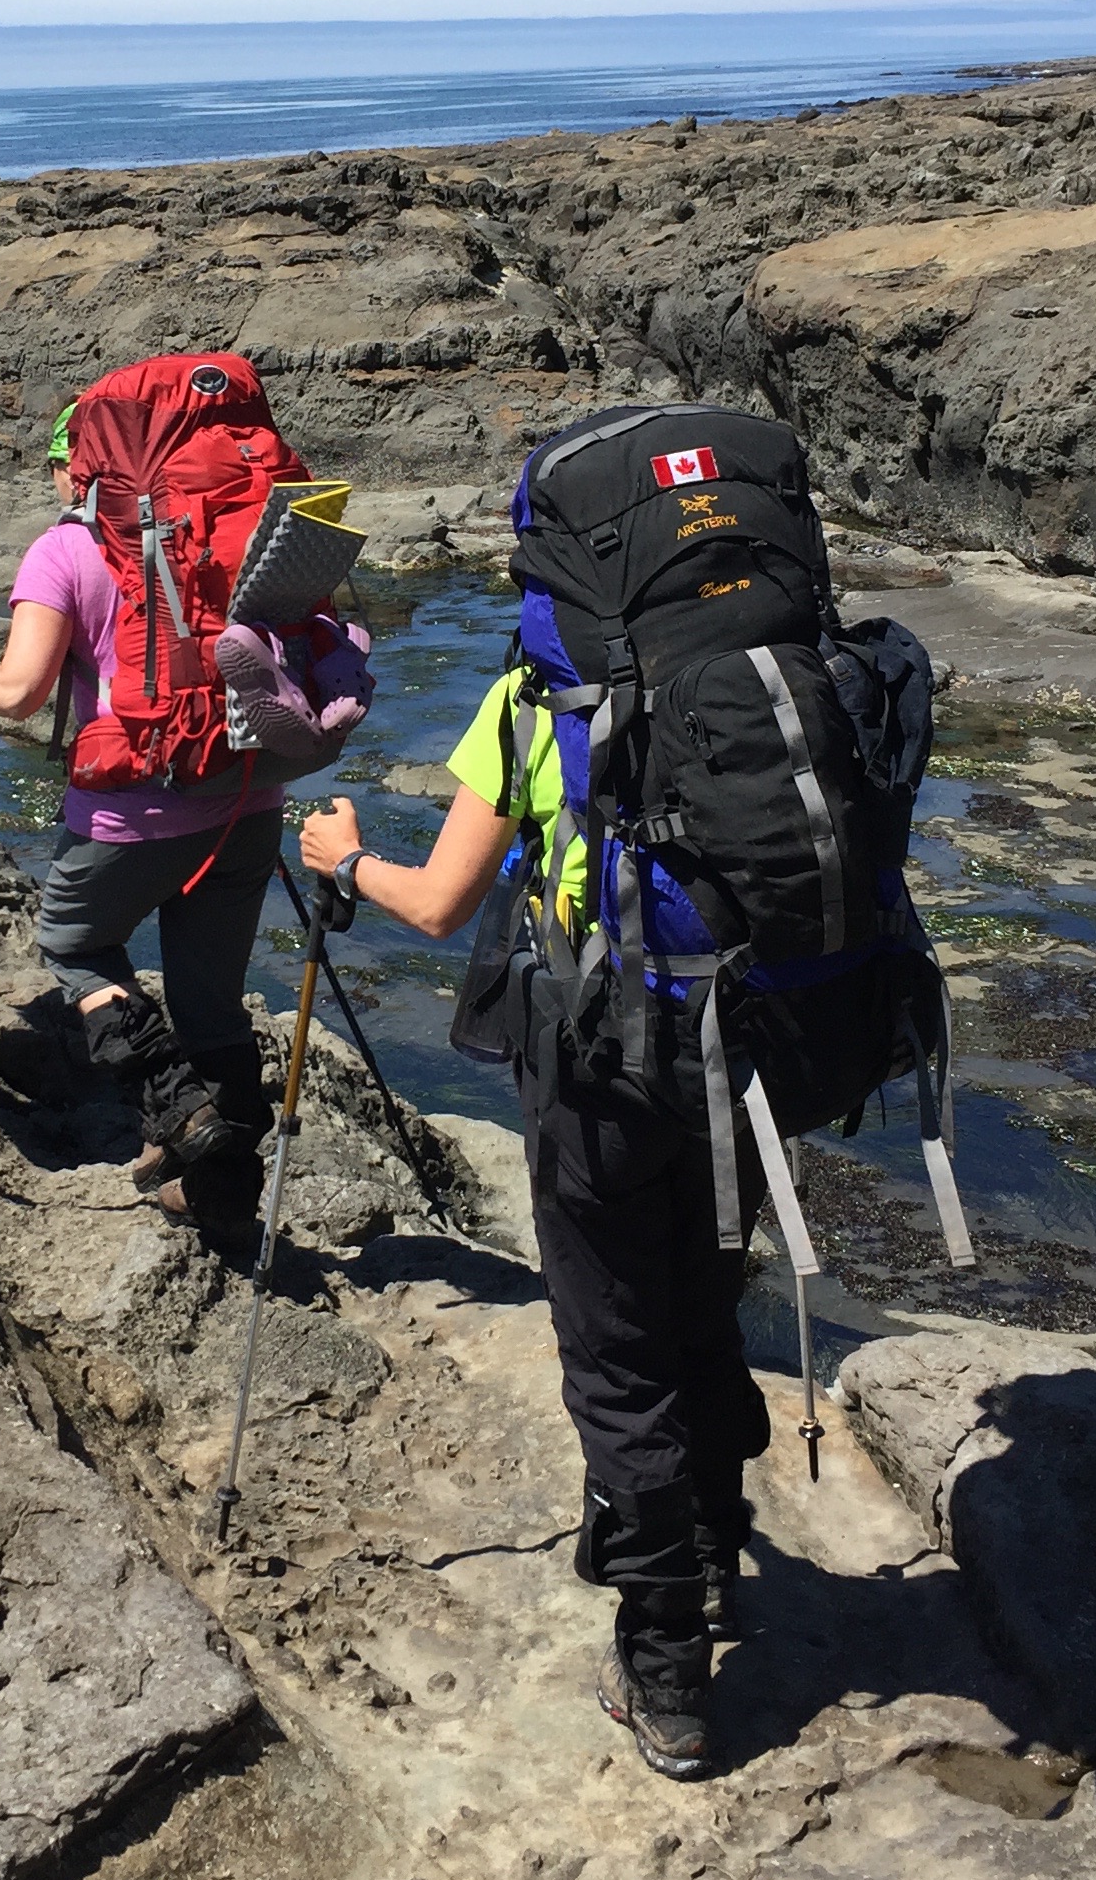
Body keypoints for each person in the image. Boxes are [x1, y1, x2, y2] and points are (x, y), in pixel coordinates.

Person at [298, 703, 770, 1785]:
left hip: (600, 1077)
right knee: (702, 1317)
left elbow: (437, 904)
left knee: (618, 1363)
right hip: (746, 1060)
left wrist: (347, 860)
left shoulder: (537, 694)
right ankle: (710, 1558)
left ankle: (667, 1669)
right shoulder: (766, 662)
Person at [0, 393, 285, 1232]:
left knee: (73, 943)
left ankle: (179, 1109)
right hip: (247, 795)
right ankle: (225, 1191)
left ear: (80, 465)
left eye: (57, 464)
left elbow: (17, 693)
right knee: (212, 1002)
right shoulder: (219, 529)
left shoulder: (65, 548)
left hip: (131, 813)